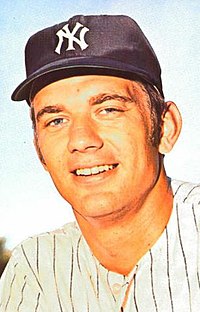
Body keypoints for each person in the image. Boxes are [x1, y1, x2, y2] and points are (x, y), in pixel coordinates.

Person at [0, 14, 199, 312]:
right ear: (39, 150)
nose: (81, 140)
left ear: (165, 127)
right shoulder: (34, 267)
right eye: (56, 120)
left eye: (108, 109)